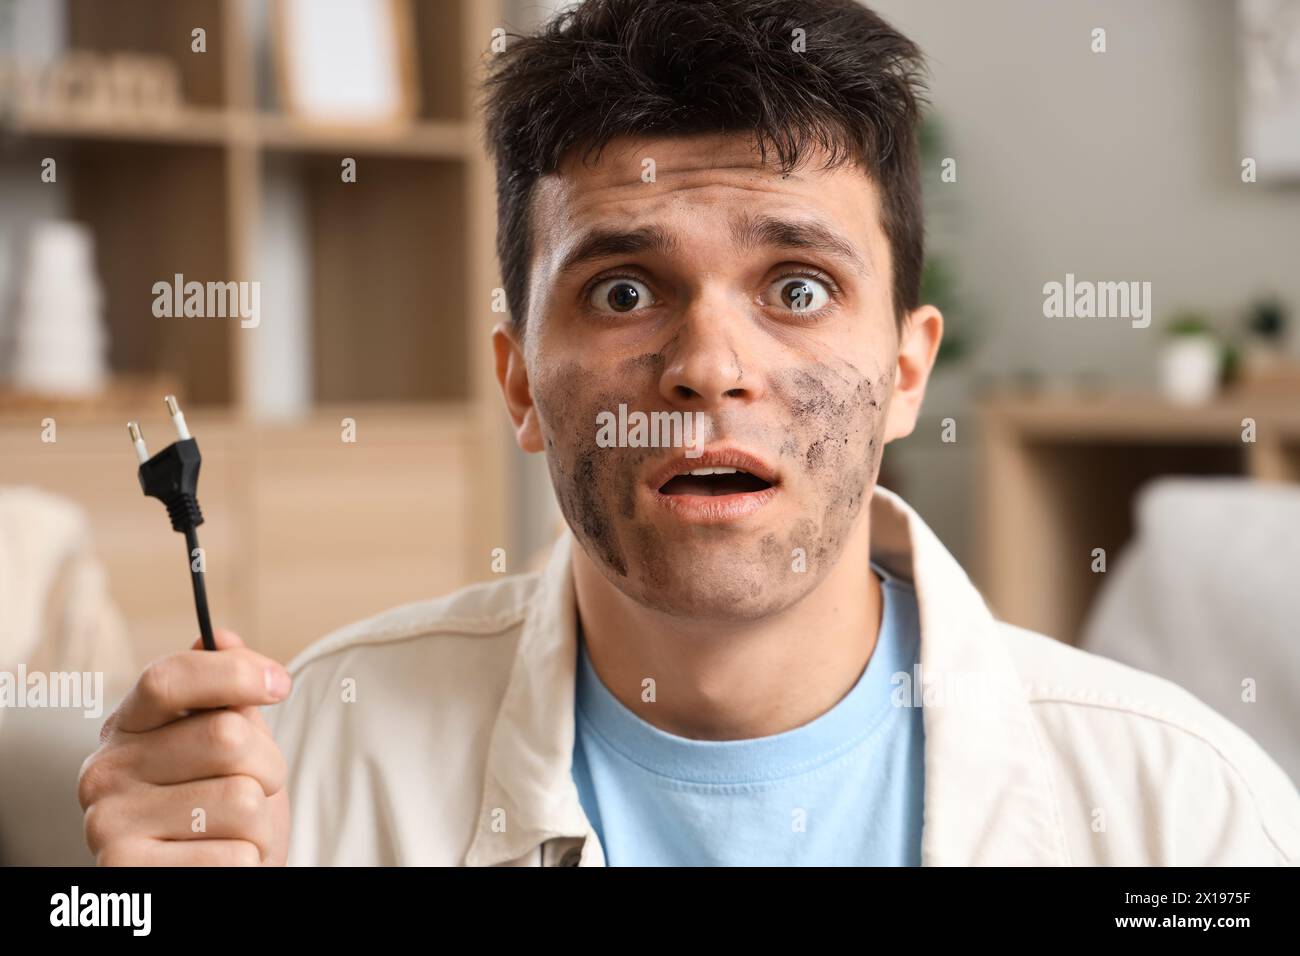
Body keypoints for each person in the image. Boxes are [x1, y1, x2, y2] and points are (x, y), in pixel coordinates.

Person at [78, 0, 1300, 866]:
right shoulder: (291, 779)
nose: (710, 365)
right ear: (517, 382)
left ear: (905, 370)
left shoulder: (1185, 813)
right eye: (621, 290)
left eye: (798, 286)